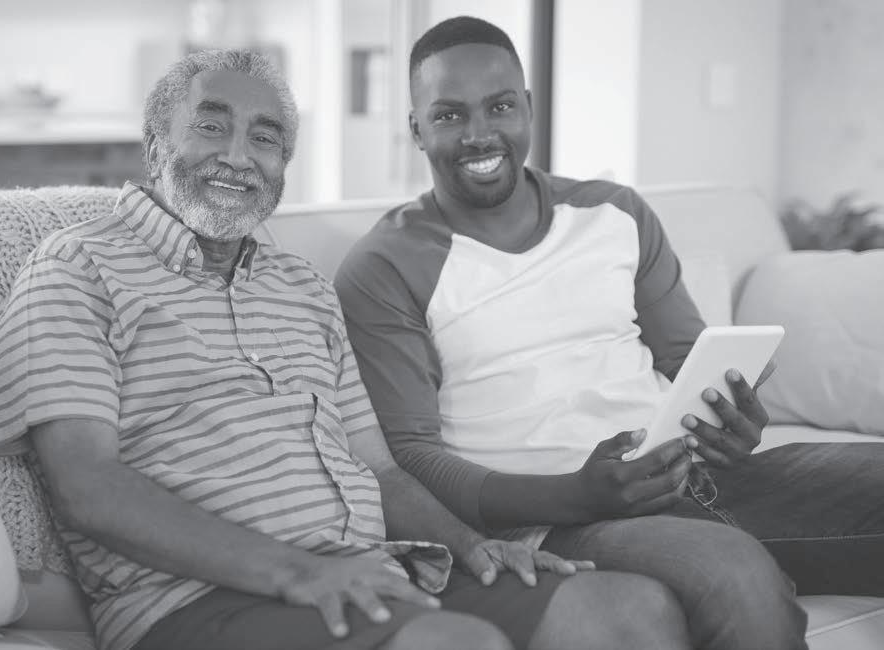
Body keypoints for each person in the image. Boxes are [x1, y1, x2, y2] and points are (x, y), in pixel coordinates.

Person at [0, 49, 694, 650]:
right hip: (195, 601)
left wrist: (472, 546)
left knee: (630, 611)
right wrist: (300, 572)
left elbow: (378, 470)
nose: (238, 155)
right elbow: (88, 487)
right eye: (210, 126)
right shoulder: (78, 267)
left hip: (369, 573)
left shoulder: (302, 288)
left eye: (265, 138)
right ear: (154, 144)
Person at [336, 15, 882, 650]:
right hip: (553, 516)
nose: (480, 133)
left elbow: (687, 356)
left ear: (528, 107)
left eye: (500, 106)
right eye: (450, 115)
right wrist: (574, 496)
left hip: (691, 476)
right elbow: (411, 458)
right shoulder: (386, 265)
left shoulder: (614, 213)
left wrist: (734, 419)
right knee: (736, 575)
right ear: (415, 128)